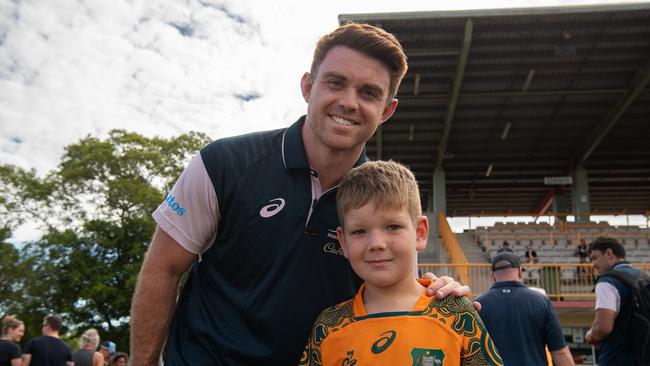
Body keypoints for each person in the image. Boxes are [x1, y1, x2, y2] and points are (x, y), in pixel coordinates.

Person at [130, 22, 472, 365]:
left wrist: (440, 294)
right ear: (308, 86)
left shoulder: (388, 200)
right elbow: (163, 268)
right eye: (335, 83)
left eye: (368, 92)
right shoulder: (223, 163)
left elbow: (397, 299)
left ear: (387, 110)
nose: (349, 102)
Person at [299, 161, 502, 365]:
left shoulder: (457, 314)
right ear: (343, 241)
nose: (376, 244)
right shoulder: (329, 326)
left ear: (420, 233)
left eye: (392, 226)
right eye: (359, 231)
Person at [475, 252, 574, 366]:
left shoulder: (477, 304)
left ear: (492, 275)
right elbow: (560, 353)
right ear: (520, 271)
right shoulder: (541, 301)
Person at [585, 237, 641, 365]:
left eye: (595, 258)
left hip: (616, 358)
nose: (593, 264)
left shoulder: (607, 281)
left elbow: (603, 328)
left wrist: (591, 335)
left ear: (609, 254)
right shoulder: (642, 277)